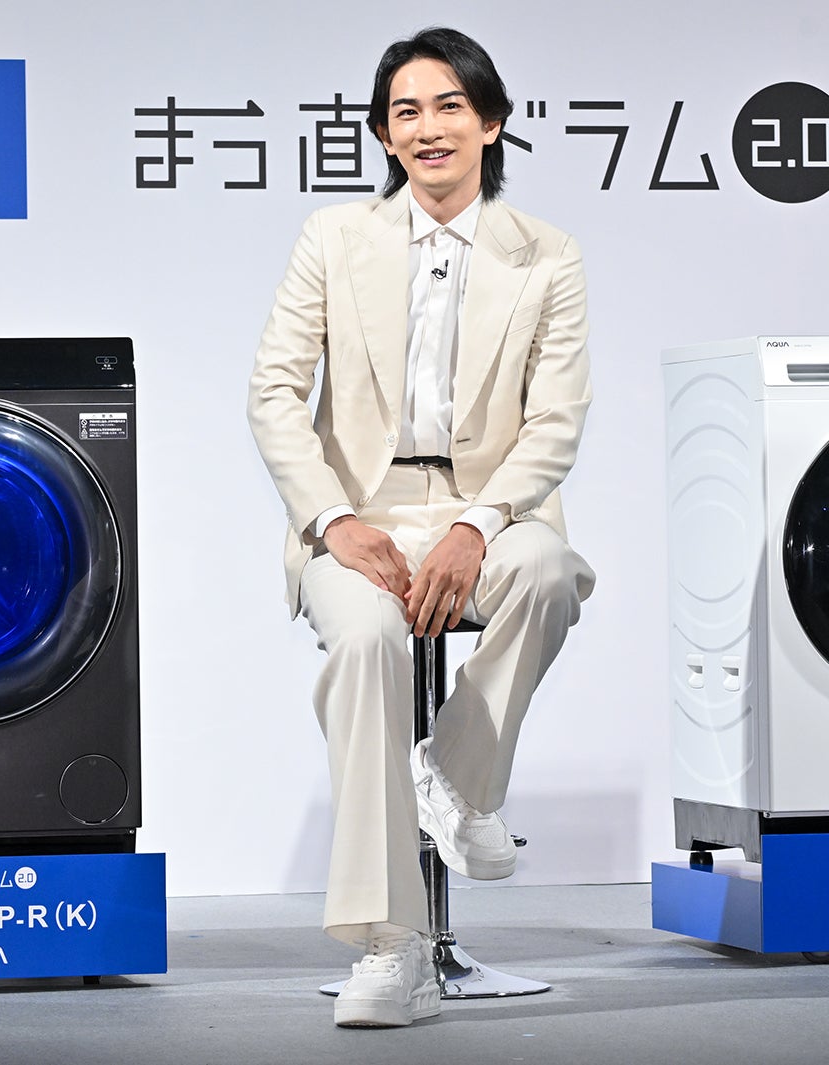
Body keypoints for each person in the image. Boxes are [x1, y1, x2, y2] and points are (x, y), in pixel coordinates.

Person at [246, 25, 595, 1029]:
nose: (428, 127)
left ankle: (455, 777)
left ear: (491, 124)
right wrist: (331, 519)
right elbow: (274, 393)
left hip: (491, 511)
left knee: (549, 572)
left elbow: (555, 423)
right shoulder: (333, 237)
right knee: (367, 641)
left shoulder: (546, 256)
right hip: (356, 516)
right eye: (406, 111)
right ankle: (390, 946)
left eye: (449, 106)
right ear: (383, 134)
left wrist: (477, 525)